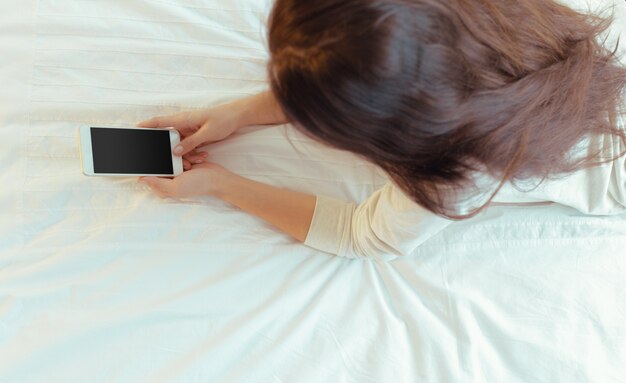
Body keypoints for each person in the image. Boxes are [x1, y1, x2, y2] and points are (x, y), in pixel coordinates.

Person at [138, 0, 626, 260]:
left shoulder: (455, 170)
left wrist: (221, 184)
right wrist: (241, 113)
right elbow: (385, 52)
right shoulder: (475, 18)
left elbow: (362, 236)